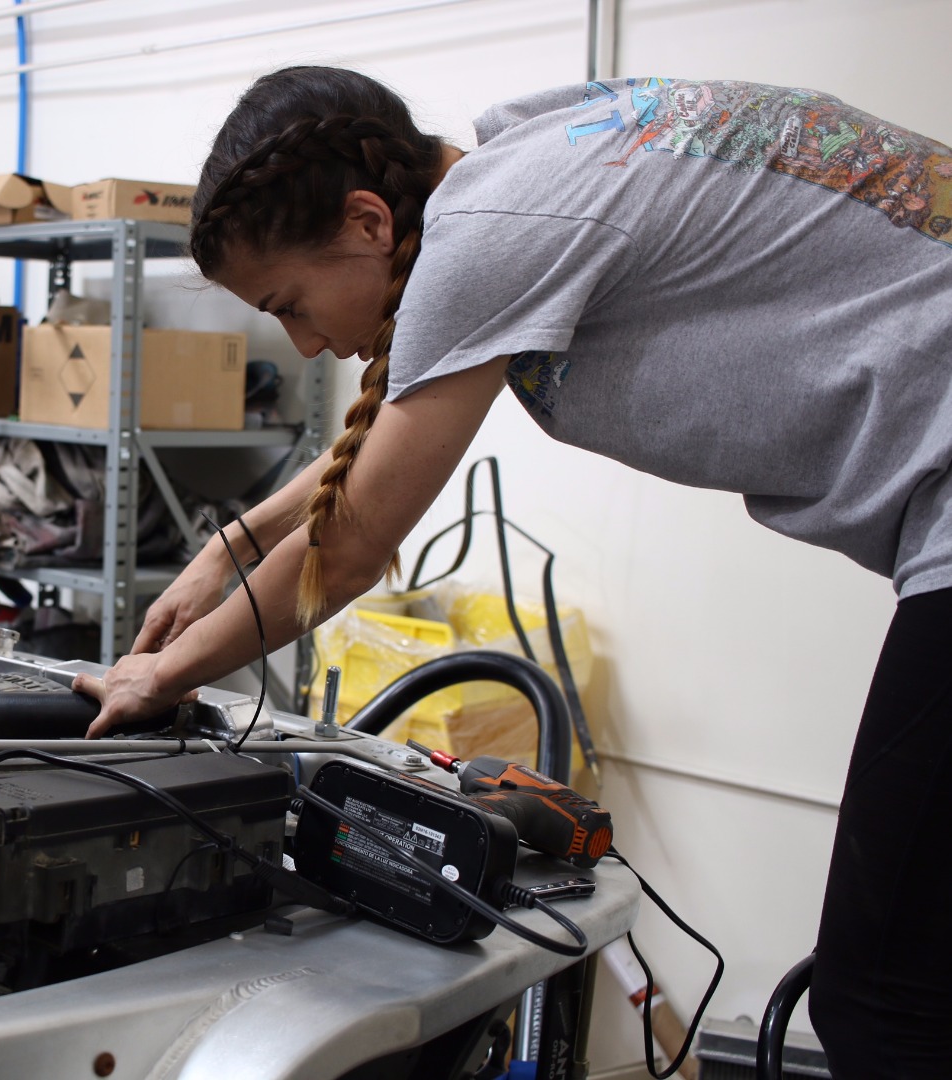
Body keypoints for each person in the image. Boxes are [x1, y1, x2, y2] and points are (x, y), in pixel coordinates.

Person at [70, 67, 952, 1077]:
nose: (305, 343)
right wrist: (226, 551)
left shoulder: (485, 228)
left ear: (366, 221)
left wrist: (163, 676)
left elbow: (349, 543)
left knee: (882, 996)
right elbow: (379, 444)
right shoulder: (516, 162)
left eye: (290, 305)